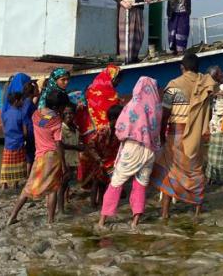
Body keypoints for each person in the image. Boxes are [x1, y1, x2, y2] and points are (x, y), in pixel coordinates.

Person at [151, 53, 217, 218]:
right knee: (196, 170)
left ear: (182, 67)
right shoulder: (207, 85)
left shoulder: (174, 85)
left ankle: (165, 213)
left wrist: (160, 134)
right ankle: (197, 211)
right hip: (197, 133)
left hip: (177, 132)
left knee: (170, 170)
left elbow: (165, 113)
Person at [99, 76, 162, 229]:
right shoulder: (157, 108)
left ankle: (102, 221)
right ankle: (135, 222)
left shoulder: (133, 105)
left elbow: (120, 129)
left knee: (116, 182)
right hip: (150, 150)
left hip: (132, 148)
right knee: (140, 185)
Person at [6, 90, 69, 226]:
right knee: (53, 188)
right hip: (52, 156)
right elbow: (58, 143)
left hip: (39, 156)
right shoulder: (56, 121)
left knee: (28, 187)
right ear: (59, 107)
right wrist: (63, 164)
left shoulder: (36, 114)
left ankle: (12, 216)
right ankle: (50, 220)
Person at [78, 65, 121, 205]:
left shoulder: (94, 89)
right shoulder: (105, 92)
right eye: (117, 79)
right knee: (100, 170)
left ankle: (98, 200)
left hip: (97, 134)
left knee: (99, 171)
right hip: (101, 134)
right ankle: (99, 200)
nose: (118, 82)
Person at [112, 0, 153, 64]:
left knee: (138, 34)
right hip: (125, 10)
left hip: (138, 10)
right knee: (125, 34)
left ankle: (134, 57)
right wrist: (123, 3)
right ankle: (125, 59)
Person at [0, 73, 33, 190]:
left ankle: (4, 183)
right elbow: (24, 130)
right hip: (19, 142)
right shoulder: (21, 112)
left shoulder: (5, 112)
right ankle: (16, 183)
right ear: (18, 100)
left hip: (8, 142)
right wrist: (25, 138)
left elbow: (4, 127)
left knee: (6, 164)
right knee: (18, 164)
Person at [205, 66, 223, 184]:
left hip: (216, 122)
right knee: (219, 154)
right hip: (218, 122)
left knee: (214, 153)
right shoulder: (218, 87)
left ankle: (211, 178)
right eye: (220, 72)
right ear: (216, 75)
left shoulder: (219, 87)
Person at [59, 109, 83, 214]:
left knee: (68, 182)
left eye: (71, 113)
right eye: (66, 114)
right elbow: (60, 145)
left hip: (73, 159)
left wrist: (81, 146)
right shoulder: (61, 128)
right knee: (63, 184)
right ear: (63, 116)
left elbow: (79, 141)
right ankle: (60, 209)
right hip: (65, 159)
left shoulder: (76, 128)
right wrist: (76, 147)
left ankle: (66, 199)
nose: (69, 115)